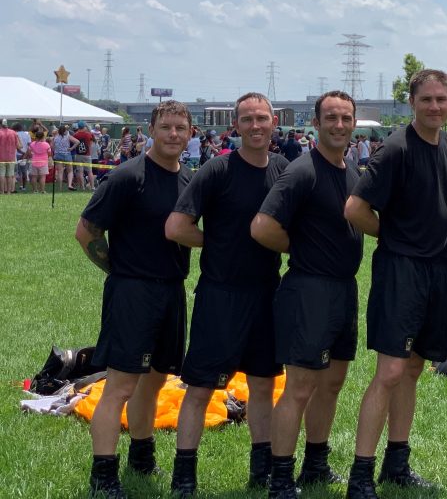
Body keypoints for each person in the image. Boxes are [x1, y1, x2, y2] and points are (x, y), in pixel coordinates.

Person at [164, 94, 289, 496]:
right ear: (236, 125)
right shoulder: (218, 170)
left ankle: (262, 470)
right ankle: (184, 476)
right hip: (220, 295)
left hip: (267, 294)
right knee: (200, 388)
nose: (256, 126)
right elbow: (176, 226)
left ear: (274, 123)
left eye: (262, 119)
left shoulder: (284, 170)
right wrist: (216, 243)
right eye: (247, 119)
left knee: (264, 386)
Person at [344, 70, 447, 499]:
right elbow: (355, 207)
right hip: (402, 271)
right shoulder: (395, 149)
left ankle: (398, 463)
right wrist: (392, 236)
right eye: (426, 99)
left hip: (436, 272)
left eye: (442, 99)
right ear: (412, 102)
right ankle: (361, 474)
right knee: (390, 371)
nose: (434, 106)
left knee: (413, 369)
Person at [74, 101, 193, 499]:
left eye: (180, 127)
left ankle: (141, 455)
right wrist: (119, 273)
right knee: (120, 385)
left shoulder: (188, 181)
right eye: (166, 127)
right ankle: (103, 475)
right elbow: (86, 232)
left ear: (190, 133)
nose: (173, 134)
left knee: (157, 380)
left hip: (172, 291)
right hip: (133, 291)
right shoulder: (127, 177)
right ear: (151, 130)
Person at [250, 91, 365, 498]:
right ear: (316, 123)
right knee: (299, 387)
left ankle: (316, 463)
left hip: (343, 290)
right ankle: (281, 477)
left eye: (345, 117)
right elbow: (262, 226)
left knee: (332, 383)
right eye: (330, 117)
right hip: (308, 290)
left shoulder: (351, 170)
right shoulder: (303, 171)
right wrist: (300, 248)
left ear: (353, 122)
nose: (338, 124)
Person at [27, 127, 52, 193]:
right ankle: (42, 190)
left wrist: (32, 156)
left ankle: (34, 190)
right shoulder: (46, 144)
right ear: (43, 137)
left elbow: (29, 152)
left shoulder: (32, 144)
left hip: (34, 161)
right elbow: (49, 153)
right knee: (42, 177)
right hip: (44, 162)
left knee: (34, 177)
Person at [0, 119, 20, 195]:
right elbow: (18, 146)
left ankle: (2, 191)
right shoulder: (13, 132)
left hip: (1, 157)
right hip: (11, 157)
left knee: (1, 175)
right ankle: (8, 192)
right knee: (10, 175)